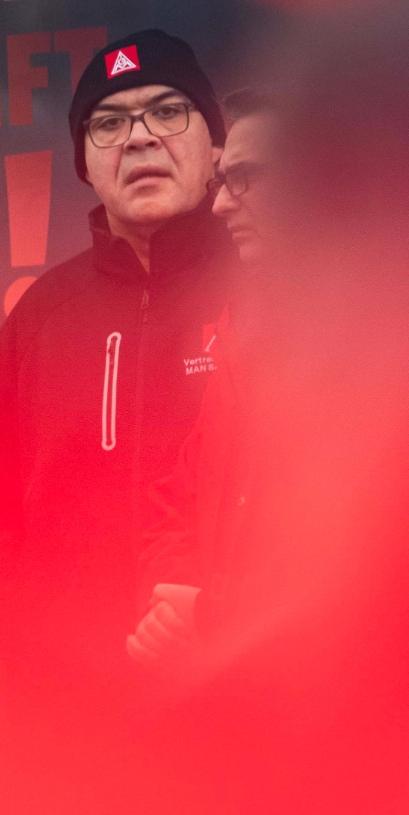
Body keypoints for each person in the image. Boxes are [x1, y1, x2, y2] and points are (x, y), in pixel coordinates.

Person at [0, 29, 233, 794]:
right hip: (71, 722)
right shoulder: (39, 317)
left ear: (217, 145)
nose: (141, 137)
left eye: (168, 111)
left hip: (243, 691)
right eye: (109, 122)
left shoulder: (274, 284)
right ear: (85, 164)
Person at [128, 87, 279, 667]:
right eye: (222, 181)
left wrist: (211, 615)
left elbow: (391, 560)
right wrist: (174, 607)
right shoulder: (245, 330)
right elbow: (177, 499)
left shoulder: (405, 341)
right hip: (248, 698)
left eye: (243, 178)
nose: (219, 205)